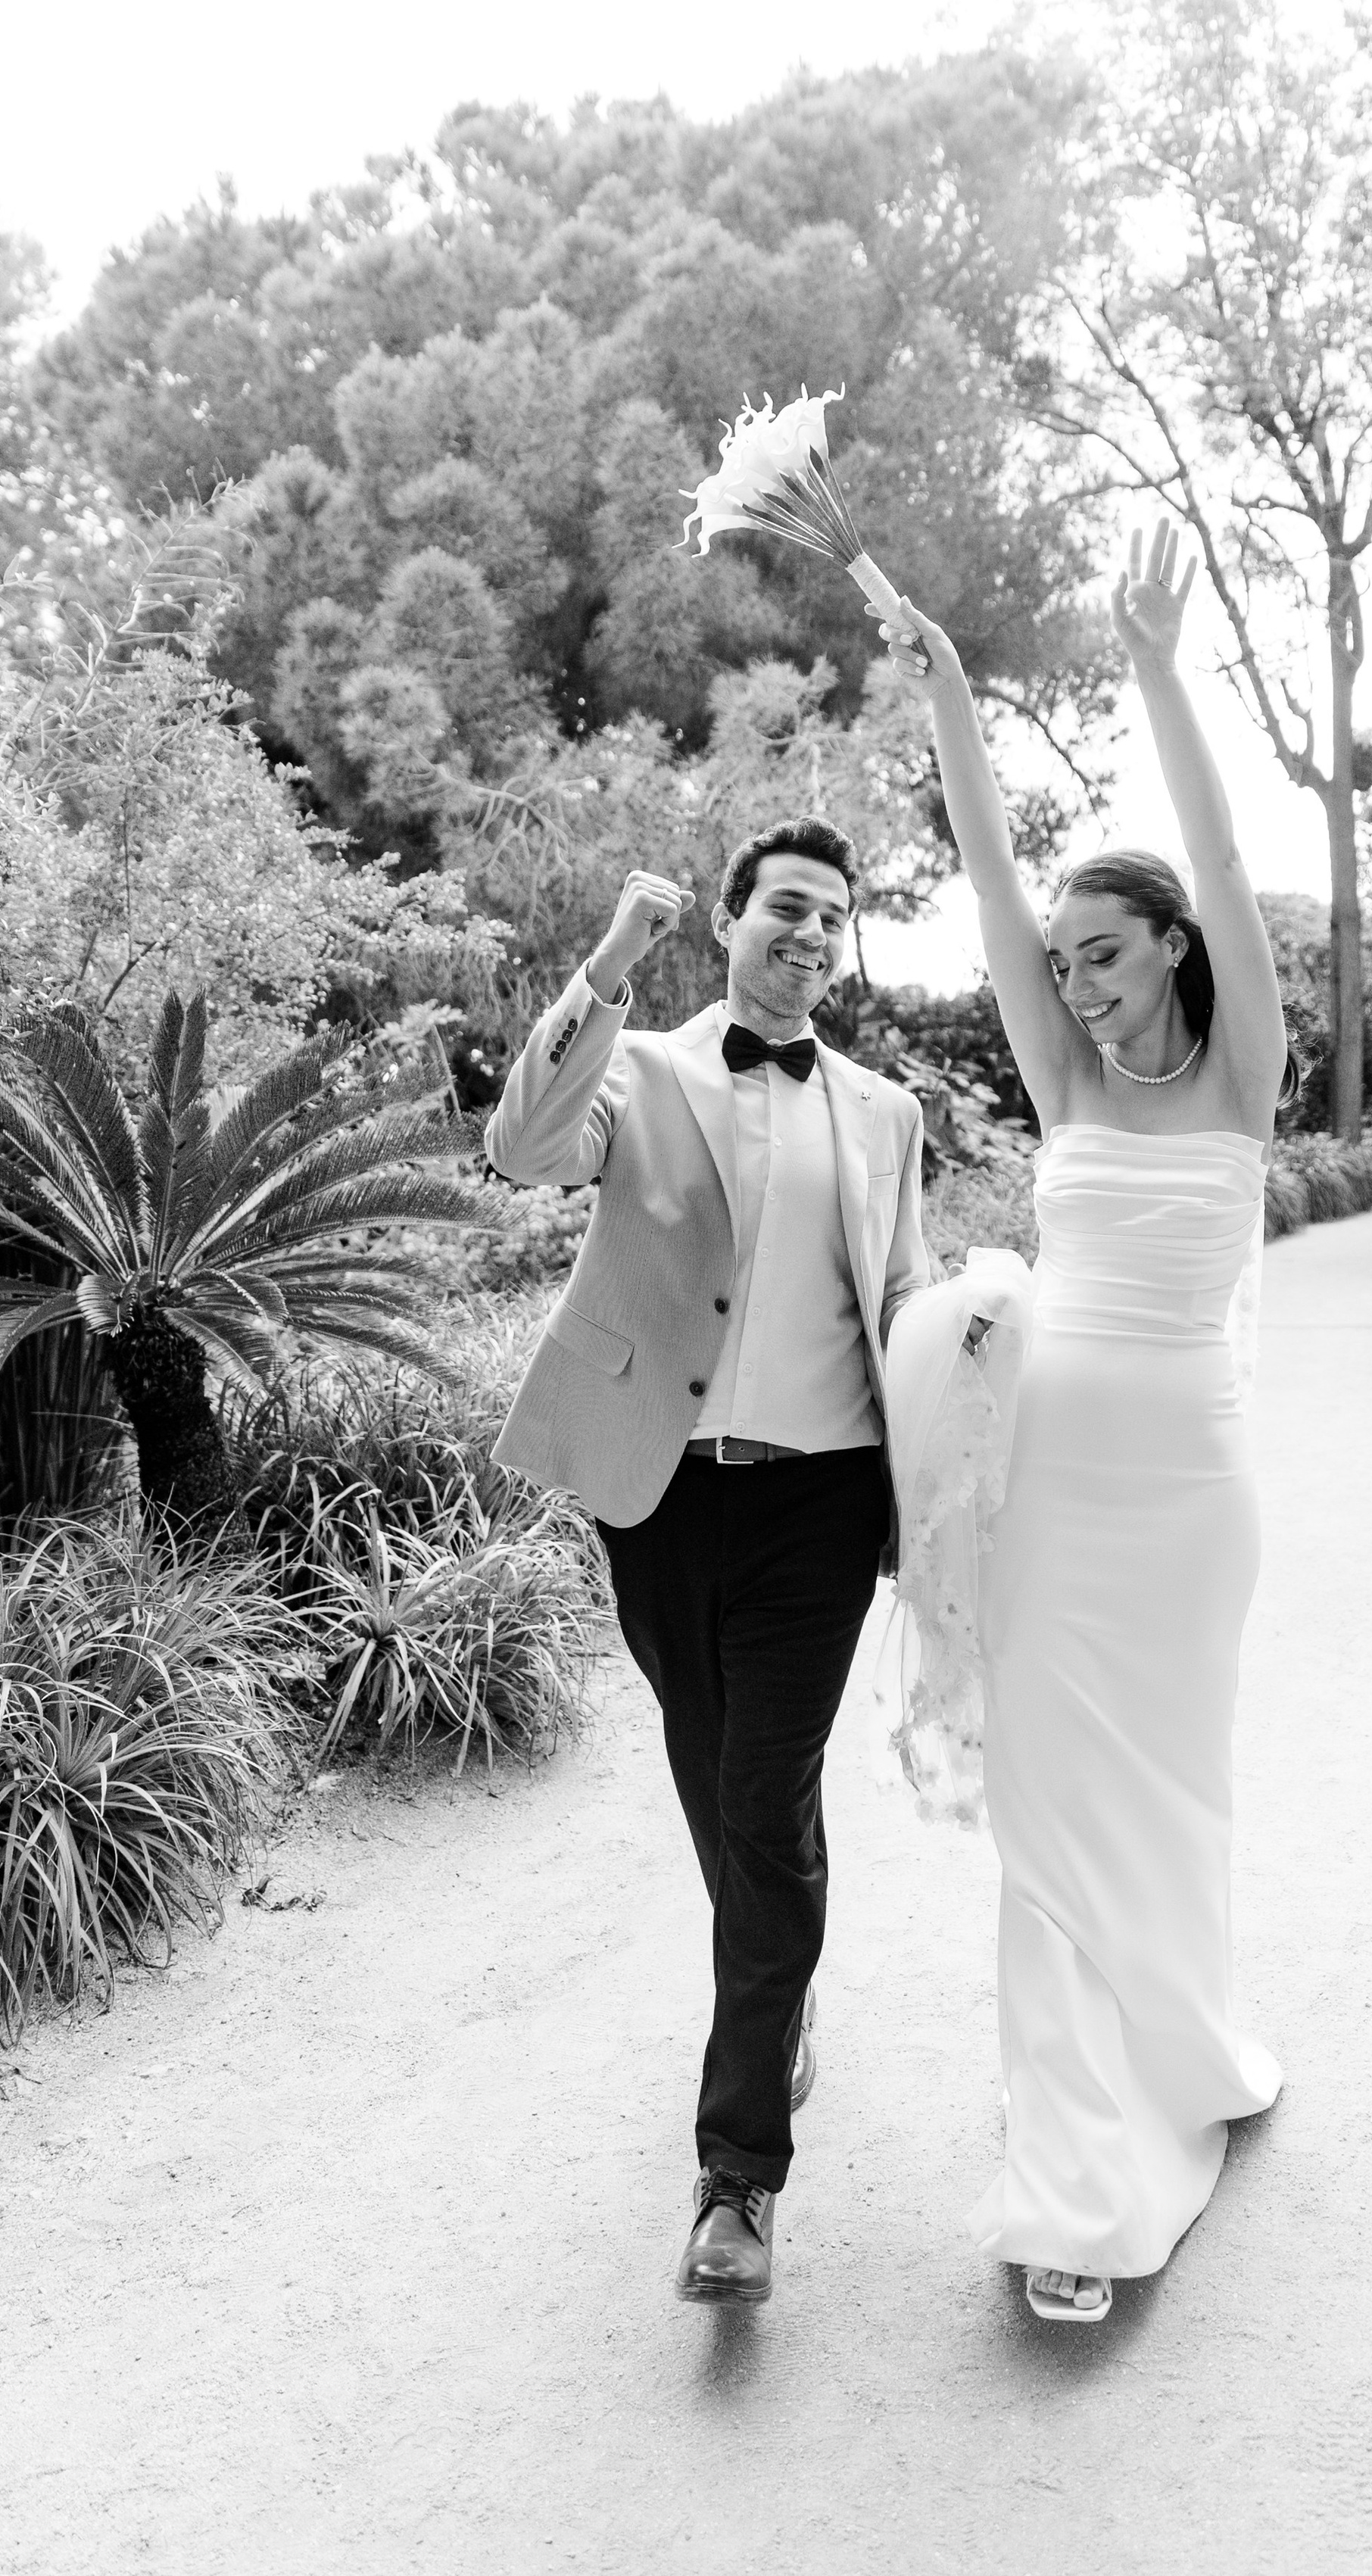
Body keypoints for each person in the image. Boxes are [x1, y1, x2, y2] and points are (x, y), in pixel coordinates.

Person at [875, 519, 1292, 2325]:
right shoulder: (1055, 1072)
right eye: (1062, 962)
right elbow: (978, 878)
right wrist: (954, 694)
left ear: (1176, 953)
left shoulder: (1241, 1064)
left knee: (1166, 1799)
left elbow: (1213, 846)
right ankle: (1073, 2181)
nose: (1074, 980)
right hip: (1045, 1488)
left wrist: (1151, 665)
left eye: (1105, 954)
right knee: (1050, 1820)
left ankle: (1186, 2053)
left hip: (1188, 1498)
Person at [483, 818, 930, 2306]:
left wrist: (960, 1468)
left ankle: (735, 2180)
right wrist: (606, 961)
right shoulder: (646, 1069)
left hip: (821, 1504)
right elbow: (522, 1147)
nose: (807, 936)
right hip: (657, 1497)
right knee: (712, 1779)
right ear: (730, 921)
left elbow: (909, 1304)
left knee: (762, 1791)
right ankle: (777, 1994)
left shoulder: (882, 1112)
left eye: (830, 919)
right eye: (782, 910)